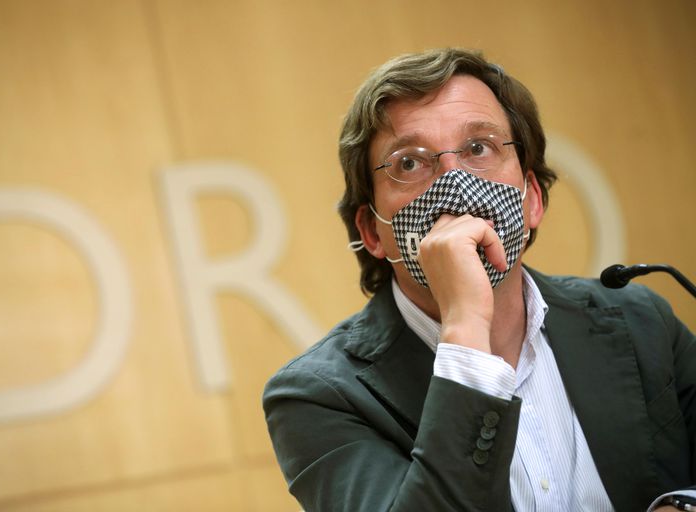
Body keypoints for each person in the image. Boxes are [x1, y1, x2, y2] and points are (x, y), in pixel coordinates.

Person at [263, 48, 695, 511]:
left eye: (478, 148)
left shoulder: (640, 320)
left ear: (532, 199)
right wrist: (466, 325)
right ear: (372, 231)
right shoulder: (318, 396)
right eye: (409, 162)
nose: (455, 184)